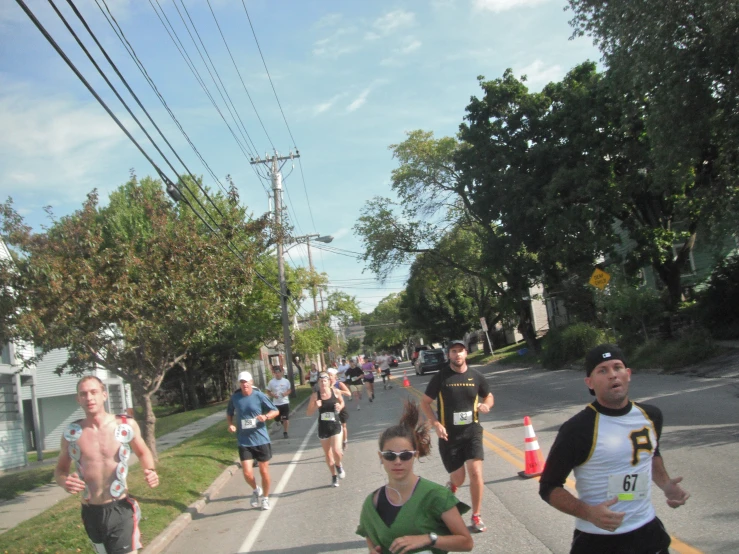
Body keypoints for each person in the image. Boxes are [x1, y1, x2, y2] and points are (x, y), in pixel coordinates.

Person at [539, 344, 690, 554]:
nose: (612, 375)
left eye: (617, 367)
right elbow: (548, 486)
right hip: (599, 540)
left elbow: (651, 453)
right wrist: (588, 513)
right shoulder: (577, 429)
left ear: (628, 374)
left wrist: (666, 485)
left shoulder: (651, 416)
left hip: (648, 533)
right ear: (589, 383)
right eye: (602, 370)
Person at [55, 376, 159, 554]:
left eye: (94, 392)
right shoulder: (72, 433)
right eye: (83, 394)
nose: (89, 398)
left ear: (104, 395)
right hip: (91, 512)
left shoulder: (125, 424)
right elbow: (60, 470)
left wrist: (149, 471)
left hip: (120, 508)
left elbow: (143, 452)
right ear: (78, 399)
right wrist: (64, 482)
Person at [356, 400, 473, 554]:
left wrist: (428, 539)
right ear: (381, 457)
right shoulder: (372, 503)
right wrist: (372, 549)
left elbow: (466, 543)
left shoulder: (436, 495)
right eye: (390, 455)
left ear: (415, 455)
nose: (397, 462)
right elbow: (370, 536)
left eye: (405, 455)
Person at [420, 340, 494, 533]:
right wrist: (436, 424)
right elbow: (425, 403)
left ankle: (476, 516)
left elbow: (489, 395)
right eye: (454, 351)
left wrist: (487, 405)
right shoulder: (441, 377)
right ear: (448, 355)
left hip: (472, 432)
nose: (457, 355)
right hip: (449, 436)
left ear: (466, 353)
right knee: (459, 479)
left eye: (460, 351)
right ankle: (451, 486)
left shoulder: (476, 376)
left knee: (476, 472)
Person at [227, 371, 280, 511]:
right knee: (247, 473)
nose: (244, 384)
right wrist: (230, 424)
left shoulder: (259, 395)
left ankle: (266, 498)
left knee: (264, 471)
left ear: (251, 382)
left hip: (261, 439)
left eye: (246, 381)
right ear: (239, 384)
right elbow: (229, 413)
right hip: (244, 441)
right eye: (242, 382)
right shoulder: (235, 398)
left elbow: (275, 411)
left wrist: (266, 417)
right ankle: (256, 490)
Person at [306, 371, 346, 487]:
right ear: (318, 382)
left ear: (329, 382)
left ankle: (338, 465)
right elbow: (308, 413)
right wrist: (315, 405)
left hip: (335, 424)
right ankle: (334, 476)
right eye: (321, 381)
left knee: (337, 451)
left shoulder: (336, 391)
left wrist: (340, 406)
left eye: (325, 380)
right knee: (328, 454)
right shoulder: (315, 396)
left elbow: (342, 402)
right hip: (323, 426)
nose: (323, 383)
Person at [328, 367, 352, 450]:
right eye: (328, 375)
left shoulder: (339, 384)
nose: (329, 377)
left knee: (343, 425)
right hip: (330, 408)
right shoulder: (326, 385)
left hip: (340, 407)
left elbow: (348, 393)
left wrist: (339, 391)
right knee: (330, 426)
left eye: (331, 375)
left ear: (335, 376)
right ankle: (334, 445)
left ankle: (344, 441)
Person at [266, 366, 292, 439]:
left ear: (282, 372)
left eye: (279, 372)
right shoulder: (271, 382)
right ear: (274, 373)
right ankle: (279, 421)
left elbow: (289, 390)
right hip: (276, 404)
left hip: (285, 402)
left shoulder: (286, 381)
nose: (277, 374)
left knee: (285, 418)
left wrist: (285, 394)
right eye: (276, 373)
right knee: (277, 418)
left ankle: (285, 432)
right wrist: (273, 395)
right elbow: (268, 391)